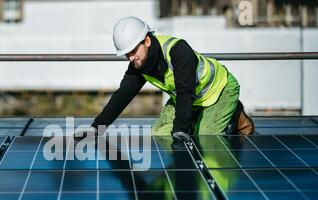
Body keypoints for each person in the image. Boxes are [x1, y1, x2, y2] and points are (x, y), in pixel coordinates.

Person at [90, 16, 255, 143]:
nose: (131, 58)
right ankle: (195, 119)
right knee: (160, 135)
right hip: (191, 98)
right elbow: (122, 96)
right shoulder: (139, 65)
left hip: (219, 91)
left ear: (147, 41)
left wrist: (180, 129)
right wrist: (96, 128)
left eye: (133, 51)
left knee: (206, 138)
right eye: (127, 54)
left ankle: (236, 116)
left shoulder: (177, 51)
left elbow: (185, 91)